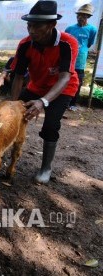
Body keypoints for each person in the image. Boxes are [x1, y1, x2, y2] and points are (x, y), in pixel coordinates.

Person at [10, 0, 79, 184]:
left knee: (50, 125)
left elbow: (65, 77)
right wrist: (11, 106)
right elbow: (17, 77)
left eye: (36, 26)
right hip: (36, 86)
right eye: (29, 25)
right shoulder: (25, 44)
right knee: (10, 114)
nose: (31, 30)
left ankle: (46, 168)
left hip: (63, 89)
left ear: (52, 25)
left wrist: (42, 102)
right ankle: (7, 157)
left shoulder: (67, 43)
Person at [65, 4, 98, 112]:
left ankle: (73, 104)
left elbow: (88, 44)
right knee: (64, 80)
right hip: (68, 59)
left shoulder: (92, 29)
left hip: (80, 61)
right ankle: (63, 103)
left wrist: (81, 50)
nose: (80, 17)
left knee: (77, 83)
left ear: (88, 17)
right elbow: (65, 43)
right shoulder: (70, 28)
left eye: (83, 15)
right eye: (79, 15)